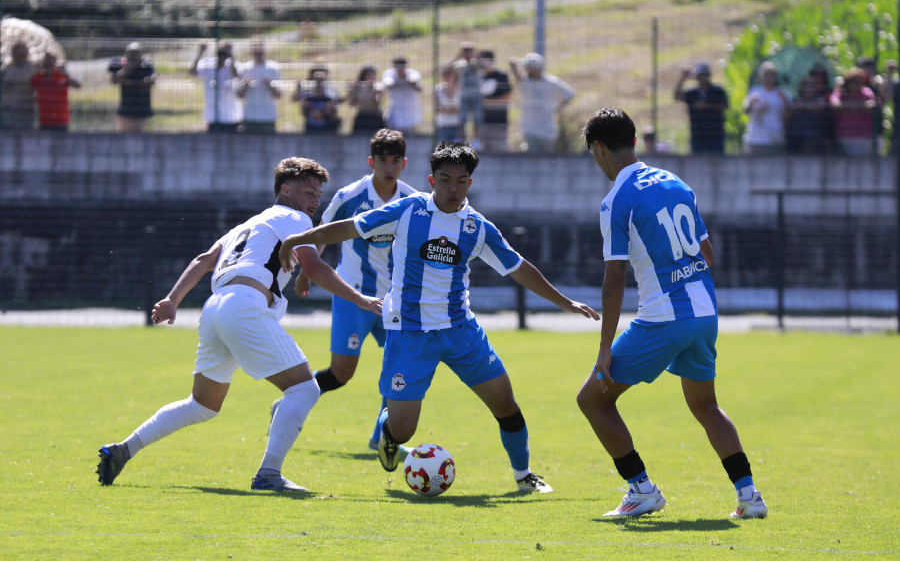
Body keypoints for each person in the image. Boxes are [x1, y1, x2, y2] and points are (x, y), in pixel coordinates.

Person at [278, 141, 600, 493]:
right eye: (445, 180)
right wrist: (300, 239)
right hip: (409, 333)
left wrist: (565, 302)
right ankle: (388, 434)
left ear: (469, 185)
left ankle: (524, 475)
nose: (452, 188)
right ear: (432, 179)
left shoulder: (478, 228)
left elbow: (520, 268)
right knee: (404, 430)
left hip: (461, 331)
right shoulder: (407, 211)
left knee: (506, 404)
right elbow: (348, 228)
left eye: (460, 181)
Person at [96, 157, 382, 492]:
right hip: (244, 307)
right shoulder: (293, 217)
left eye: (318, 193)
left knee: (201, 406)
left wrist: (173, 300)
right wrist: (361, 300)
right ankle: (268, 475)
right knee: (304, 389)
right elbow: (314, 266)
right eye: (308, 191)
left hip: (215, 308)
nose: (315, 200)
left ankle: (123, 449)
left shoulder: (246, 226)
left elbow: (204, 261)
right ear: (285, 189)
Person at [576, 107, 768, 519]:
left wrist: (604, 349)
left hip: (664, 317)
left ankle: (641, 489)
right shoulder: (676, 182)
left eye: (593, 153)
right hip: (704, 313)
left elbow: (614, 281)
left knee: (592, 399)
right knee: (706, 406)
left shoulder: (617, 199)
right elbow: (708, 254)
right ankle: (749, 497)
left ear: (600, 148)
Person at [276, 129, 418, 450]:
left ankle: (383, 436)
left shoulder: (413, 201)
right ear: (371, 162)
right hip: (352, 296)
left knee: (400, 367)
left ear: (404, 164)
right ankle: (290, 403)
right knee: (341, 374)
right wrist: (305, 274)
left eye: (395, 161)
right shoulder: (349, 197)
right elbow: (321, 234)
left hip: (393, 301)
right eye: (383, 160)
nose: (389, 167)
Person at [509, 52, 575, 153]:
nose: (525, 69)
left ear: (535, 67)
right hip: (530, 129)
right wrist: (514, 68)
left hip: (547, 130)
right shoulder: (526, 82)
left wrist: (557, 108)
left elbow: (569, 93)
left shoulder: (552, 82)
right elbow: (518, 78)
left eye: (528, 67)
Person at [673, 62, 728, 154]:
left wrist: (707, 105)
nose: (703, 78)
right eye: (700, 75)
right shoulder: (692, 93)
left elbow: (725, 105)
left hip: (716, 135)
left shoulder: (718, 91)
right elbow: (677, 96)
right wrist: (683, 78)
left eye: (705, 75)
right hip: (698, 135)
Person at [189, 42, 242, 133]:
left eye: (224, 54)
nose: (222, 57)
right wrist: (200, 53)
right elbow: (192, 72)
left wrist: (231, 55)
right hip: (213, 115)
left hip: (231, 115)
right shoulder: (207, 64)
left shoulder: (233, 65)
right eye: (220, 53)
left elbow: (236, 75)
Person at [741, 61, 791, 154]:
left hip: (775, 138)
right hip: (755, 139)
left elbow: (789, 117)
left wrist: (785, 101)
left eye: (772, 75)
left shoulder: (783, 94)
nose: (769, 78)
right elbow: (745, 111)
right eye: (766, 75)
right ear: (761, 76)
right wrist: (751, 102)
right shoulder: (755, 91)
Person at [108, 42, 156, 133]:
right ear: (126, 54)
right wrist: (128, 68)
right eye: (131, 53)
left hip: (142, 109)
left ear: (141, 54)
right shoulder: (120, 66)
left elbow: (151, 81)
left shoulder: (147, 67)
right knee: (122, 137)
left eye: (136, 53)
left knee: (138, 136)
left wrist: (130, 82)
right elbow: (114, 80)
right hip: (125, 109)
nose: (133, 56)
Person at [237, 38, 281, 134]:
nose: (257, 52)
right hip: (249, 116)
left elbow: (278, 95)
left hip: (268, 117)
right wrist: (245, 84)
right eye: (255, 48)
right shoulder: (244, 69)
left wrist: (269, 84)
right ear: (250, 50)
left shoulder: (274, 68)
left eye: (259, 48)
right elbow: (239, 95)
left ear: (264, 49)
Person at [830, 67, 877, 157]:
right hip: (843, 136)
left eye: (858, 81)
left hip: (863, 137)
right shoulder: (841, 92)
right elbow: (834, 105)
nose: (854, 84)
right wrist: (860, 106)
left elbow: (872, 105)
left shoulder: (866, 92)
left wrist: (845, 106)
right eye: (851, 81)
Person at [30, 52, 81, 131]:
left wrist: (67, 76)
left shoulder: (62, 76)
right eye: (47, 60)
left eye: (51, 61)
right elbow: (28, 88)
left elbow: (78, 85)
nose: (49, 63)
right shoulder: (38, 78)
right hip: (45, 121)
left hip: (61, 121)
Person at [786, 76, 832, 155]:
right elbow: (793, 108)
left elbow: (819, 106)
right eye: (806, 84)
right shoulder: (797, 98)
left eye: (811, 84)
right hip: (798, 135)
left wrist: (802, 106)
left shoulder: (819, 98)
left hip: (815, 134)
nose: (808, 87)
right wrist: (809, 106)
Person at [479, 50, 512, 152]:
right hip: (482, 123)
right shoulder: (478, 77)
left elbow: (506, 98)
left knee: (499, 152)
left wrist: (486, 102)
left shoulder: (501, 76)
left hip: (499, 122)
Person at [294, 65, 342, 134]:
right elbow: (301, 108)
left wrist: (326, 111)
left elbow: (334, 111)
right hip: (311, 128)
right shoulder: (308, 95)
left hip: (328, 130)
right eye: (316, 80)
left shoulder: (331, 94)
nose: (318, 83)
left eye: (321, 81)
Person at [1, 40, 36, 130]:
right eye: (17, 51)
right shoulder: (6, 68)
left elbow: (36, 89)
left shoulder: (33, 69)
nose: (20, 54)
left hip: (26, 111)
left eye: (23, 51)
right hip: (8, 110)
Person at [452, 42, 483, 145]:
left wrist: (476, 56)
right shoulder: (460, 64)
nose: (467, 53)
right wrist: (458, 56)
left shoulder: (477, 62)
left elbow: (482, 66)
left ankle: (475, 140)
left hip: (476, 94)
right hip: (464, 95)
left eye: (469, 50)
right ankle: (461, 139)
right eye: (465, 51)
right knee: (462, 119)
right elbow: (451, 68)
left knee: (477, 119)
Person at [382, 56, 423, 132]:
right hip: (394, 115)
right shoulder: (389, 74)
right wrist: (399, 80)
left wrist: (406, 78)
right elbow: (388, 82)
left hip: (411, 115)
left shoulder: (413, 73)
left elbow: (414, 80)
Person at [346, 65, 385, 135]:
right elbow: (351, 103)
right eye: (370, 75)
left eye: (374, 75)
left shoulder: (378, 86)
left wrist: (372, 89)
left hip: (375, 118)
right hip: (362, 117)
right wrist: (352, 90)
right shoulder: (358, 87)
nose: (372, 77)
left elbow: (378, 100)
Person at [434, 65, 461, 142]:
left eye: (449, 75)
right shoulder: (438, 89)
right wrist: (454, 109)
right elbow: (438, 108)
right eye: (444, 75)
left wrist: (446, 108)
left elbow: (462, 109)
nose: (447, 78)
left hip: (457, 126)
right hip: (442, 125)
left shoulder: (461, 89)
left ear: (455, 76)